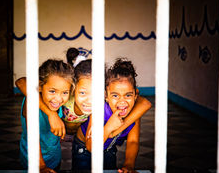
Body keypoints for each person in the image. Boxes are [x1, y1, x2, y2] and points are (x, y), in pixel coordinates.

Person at [16, 48, 151, 138]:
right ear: (74, 89)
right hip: (57, 137)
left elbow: (144, 103)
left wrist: (116, 129)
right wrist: (51, 114)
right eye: (82, 93)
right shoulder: (65, 95)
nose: (89, 100)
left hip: (76, 138)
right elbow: (21, 82)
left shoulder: (104, 98)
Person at [72, 58, 146, 173]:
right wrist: (109, 127)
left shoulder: (134, 112)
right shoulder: (98, 110)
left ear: (135, 95)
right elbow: (91, 146)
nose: (122, 101)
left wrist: (129, 164)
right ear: (106, 96)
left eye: (128, 95)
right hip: (84, 148)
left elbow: (133, 141)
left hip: (108, 148)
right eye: (115, 95)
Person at [19, 59, 74, 173]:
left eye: (65, 92)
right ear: (39, 87)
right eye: (52, 91)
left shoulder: (56, 104)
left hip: (54, 158)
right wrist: (41, 166)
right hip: (34, 163)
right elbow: (32, 136)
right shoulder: (31, 102)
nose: (58, 98)